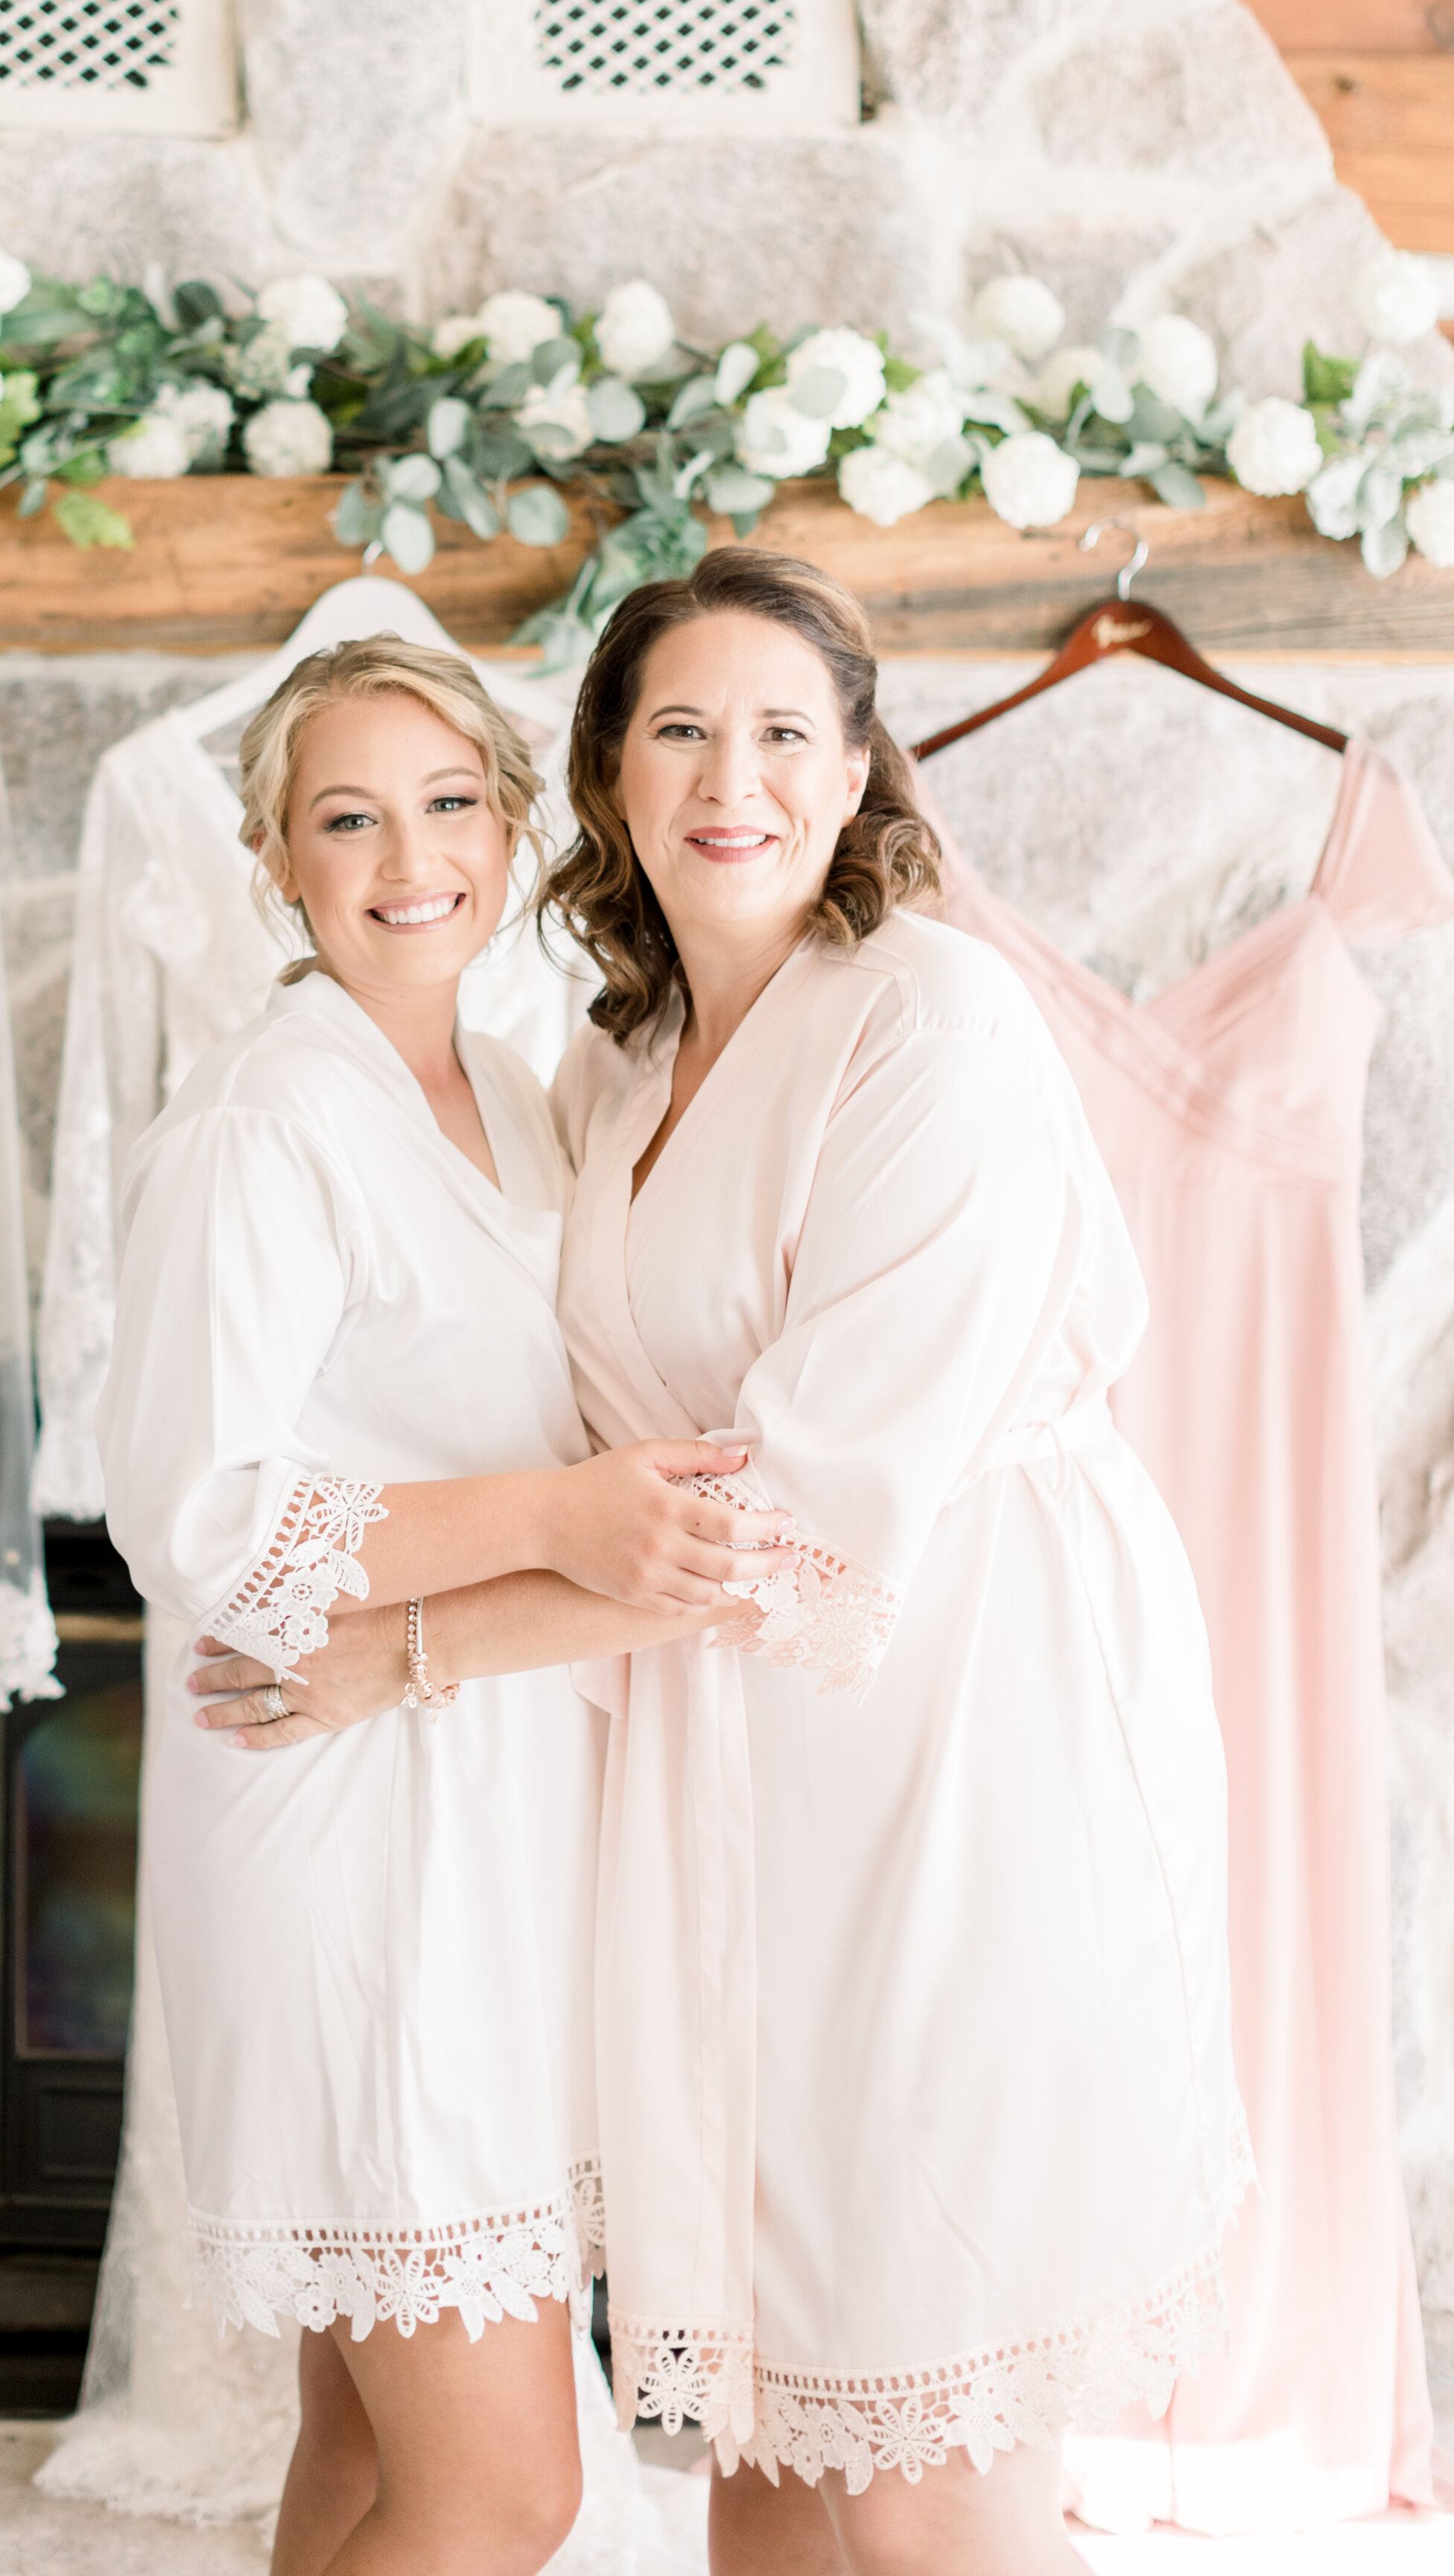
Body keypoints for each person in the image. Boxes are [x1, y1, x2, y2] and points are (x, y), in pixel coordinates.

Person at [195, 552, 1244, 2576]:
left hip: (956, 1730)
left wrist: (401, 1653)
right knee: (762, 2419)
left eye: (783, 732)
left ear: (857, 776)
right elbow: (590, 1452)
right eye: (677, 728)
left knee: (923, 2449)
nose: (728, 778)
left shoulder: (935, 1027)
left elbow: (795, 1515)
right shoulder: (616, 1051)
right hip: (727, 1767)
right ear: (600, 774)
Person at [96, 635, 793, 2576]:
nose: (407, 854)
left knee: (367, 2446)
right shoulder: (265, 1123)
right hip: (344, 1818)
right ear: (273, 859)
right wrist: (559, 1515)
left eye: (447, 802)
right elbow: (199, 1514)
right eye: (346, 816)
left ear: (509, 822)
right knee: (505, 2488)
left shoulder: (505, 1087)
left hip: (474, 1797)